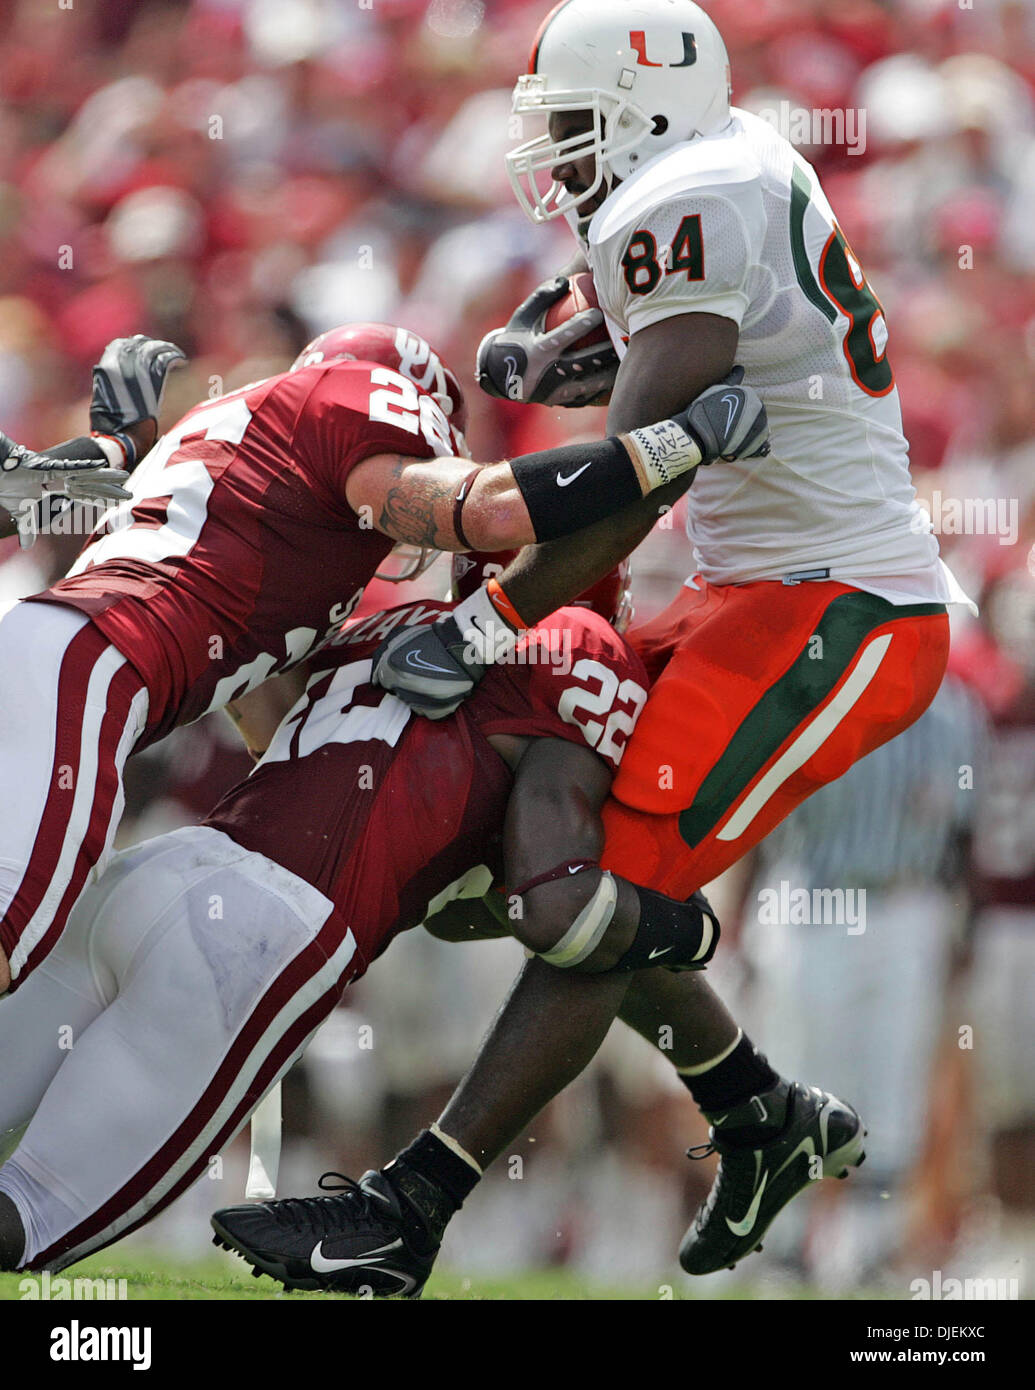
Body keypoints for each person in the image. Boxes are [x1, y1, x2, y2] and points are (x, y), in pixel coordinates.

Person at [347, 0, 971, 1277]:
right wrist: (554, 339)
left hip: (839, 607)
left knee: (588, 898)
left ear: (643, 113)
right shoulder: (714, 167)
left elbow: (630, 482)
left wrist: (490, 616)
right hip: (747, 591)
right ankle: (758, 1113)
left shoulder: (694, 192)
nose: (559, 161)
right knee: (540, 809)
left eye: (575, 131)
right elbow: (583, 330)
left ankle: (413, 1209)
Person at [0, 319, 765, 995]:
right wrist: (678, 442)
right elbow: (486, 508)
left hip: (55, 647)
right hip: (89, 671)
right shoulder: (354, 405)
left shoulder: (231, 449)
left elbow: (272, 734)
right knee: (11, 943)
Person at [0, 587, 735, 1282]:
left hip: (161, 865)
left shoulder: (394, 620)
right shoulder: (582, 653)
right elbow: (553, 908)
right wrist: (685, 925)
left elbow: (266, 716)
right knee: (29, 1216)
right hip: (264, 932)